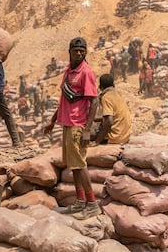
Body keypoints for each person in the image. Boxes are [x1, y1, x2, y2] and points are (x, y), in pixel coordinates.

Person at [43, 37, 100, 220]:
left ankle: (92, 204)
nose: (79, 53)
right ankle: (80, 201)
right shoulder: (68, 71)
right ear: (70, 51)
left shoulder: (86, 72)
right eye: (76, 51)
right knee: (73, 166)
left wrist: (87, 129)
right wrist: (53, 121)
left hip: (78, 125)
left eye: (82, 51)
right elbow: (64, 99)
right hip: (67, 123)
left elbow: (94, 101)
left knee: (80, 164)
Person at [92, 74, 131, 145]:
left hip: (115, 138)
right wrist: (94, 119)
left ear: (100, 87)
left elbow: (109, 121)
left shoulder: (106, 97)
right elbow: (115, 116)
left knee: (88, 134)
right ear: (113, 85)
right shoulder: (117, 95)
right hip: (125, 135)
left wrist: (97, 141)